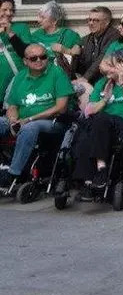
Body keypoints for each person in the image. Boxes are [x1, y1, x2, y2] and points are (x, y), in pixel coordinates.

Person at [71, 52, 123, 194]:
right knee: (86, 128)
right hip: (101, 126)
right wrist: (105, 100)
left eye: (111, 65)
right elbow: (88, 111)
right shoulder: (103, 83)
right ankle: (87, 180)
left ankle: (100, 170)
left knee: (100, 120)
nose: (106, 68)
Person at [0, 43, 75, 193]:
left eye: (43, 56)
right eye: (34, 58)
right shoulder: (20, 76)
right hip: (22, 120)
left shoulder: (57, 73)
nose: (39, 60)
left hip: (53, 122)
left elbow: (61, 107)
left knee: (30, 127)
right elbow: (13, 105)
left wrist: (29, 119)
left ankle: (13, 174)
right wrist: (13, 120)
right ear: (25, 61)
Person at [28, 1, 81, 77]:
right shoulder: (35, 35)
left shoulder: (69, 35)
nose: (38, 20)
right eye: (39, 17)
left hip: (60, 75)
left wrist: (65, 50)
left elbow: (77, 55)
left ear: (54, 21)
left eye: (42, 17)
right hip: (39, 75)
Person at [69, 6, 117, 86]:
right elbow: (78, 60)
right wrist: (75, 51)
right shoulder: (87, 38)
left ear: (107, 22)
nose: (91, 23)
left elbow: (102, 58)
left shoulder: (114, 36)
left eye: (96, 20)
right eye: (89, 20)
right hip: (90, 82)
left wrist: (85, 78)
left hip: (107, 82)